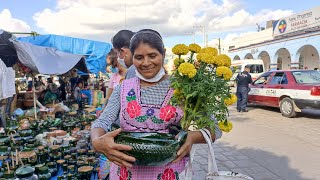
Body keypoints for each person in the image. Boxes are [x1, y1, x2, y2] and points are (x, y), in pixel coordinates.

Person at [91, 29, 222, 179]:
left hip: (170, 173)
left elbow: (215, 130)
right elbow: (102, 121)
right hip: (125, 174)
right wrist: (97, 141)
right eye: (139, 57)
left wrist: (192, 137)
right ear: (132, 58)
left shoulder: (184, 89)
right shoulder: (123, 87)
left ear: (163, 54)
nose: (146, 63)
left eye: (152, 55)